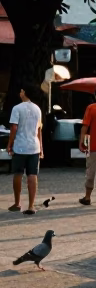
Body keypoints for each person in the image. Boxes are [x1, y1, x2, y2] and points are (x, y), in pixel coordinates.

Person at [7, 84, 43, 214]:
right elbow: (39, 130)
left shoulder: (17, 108)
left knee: (18, 173)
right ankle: (31, 205)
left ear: (25, 93)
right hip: (34, 146)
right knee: (32, 174)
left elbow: (14, 128)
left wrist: (9, 143)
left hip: (20, 146)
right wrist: (41, 148)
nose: (20, 92)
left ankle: (17, 203)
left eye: (22, 90)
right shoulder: (37, 109)